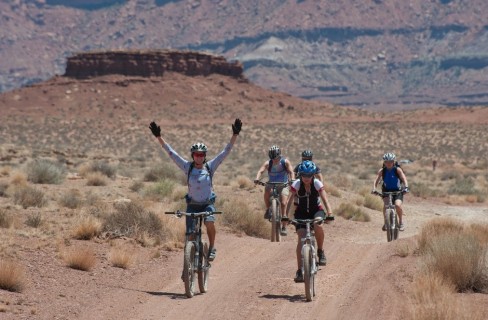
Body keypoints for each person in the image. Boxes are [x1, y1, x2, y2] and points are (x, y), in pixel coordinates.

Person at [149, 118, 242, 261]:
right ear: (193, 155)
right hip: (192, 205)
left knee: (209, 222)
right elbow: (171, 153)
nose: (199, 157)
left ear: (205, 156)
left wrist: (235, 135)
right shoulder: (187, 167)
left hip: (207, 204)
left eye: (202, 154)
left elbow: (225, 152)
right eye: (196, 154)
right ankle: (189, 266)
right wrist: (158, 137)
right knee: (190, 234)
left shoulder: (210, 167)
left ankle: (211, 247)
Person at [285, 160, 333, 282]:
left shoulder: (316, 183)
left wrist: (330, 213)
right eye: (304, 175)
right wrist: (285, 216)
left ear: (313, 175)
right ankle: (300, 270)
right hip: (301, 212)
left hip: (316, 210)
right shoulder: (296, 184)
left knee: (318, 225)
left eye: (309, 175)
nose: (306, 178)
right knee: (301, 239)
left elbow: (325, 199)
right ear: (300, 175)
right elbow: (289, 201)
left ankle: (320, 251)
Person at [254, 145, 294, 236]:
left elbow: (291, 171)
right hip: (271, 183)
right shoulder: (268, 163)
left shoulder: (285, 162)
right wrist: (257, 178)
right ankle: (268, 209)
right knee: (267, 191)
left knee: (284, 203)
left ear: (279, 155)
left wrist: (292, 180)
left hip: (283, 184)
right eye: (272, 158)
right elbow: (261, 170)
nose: (274, 160)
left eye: (276, 158)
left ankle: (284, 226)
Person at [372, 152, 409, 232]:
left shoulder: (397, 170)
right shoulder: (382, 171)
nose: (388, 163)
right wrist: (374, 188)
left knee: (397, 205)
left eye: (391, 161)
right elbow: (376, 180)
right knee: (385, 206)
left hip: (397, 191)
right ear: (384, 162)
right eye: (386, 161)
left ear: (394, 162)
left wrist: (406, 187)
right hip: (386, 191)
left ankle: (401, 222)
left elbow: (404, 178)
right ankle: (385, 223)